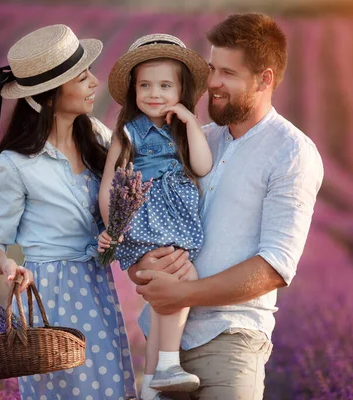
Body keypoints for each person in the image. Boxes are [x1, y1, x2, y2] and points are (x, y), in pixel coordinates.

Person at [130, 13, 325, 400]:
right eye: (212, 69)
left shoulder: (291, 153)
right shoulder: (197, 138)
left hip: (231, 341)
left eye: (228, 74)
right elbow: (148, 215)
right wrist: (143, 267)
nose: (213, 84)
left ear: (264, 79)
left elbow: (274, 266)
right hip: (163, 336)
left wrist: (184, 293)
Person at [0, 24, 136, 400]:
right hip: (51, 296)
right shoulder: (14, 165)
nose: (95, 82)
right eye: (82, 78)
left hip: (95, 285)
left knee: (109, 389)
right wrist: (9, 266)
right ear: (49, 97)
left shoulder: (95, 134)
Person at [97, 34, 211, 400]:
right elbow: (108, 184)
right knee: (182, 280)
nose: (154, 93)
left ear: (181, 90)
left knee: (168, 289)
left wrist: (191, 122)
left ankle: (150, 384)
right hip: (144, 223)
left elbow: (202, 166)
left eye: (165, 85)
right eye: (145, 85)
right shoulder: (129, 132)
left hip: (174, 224)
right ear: (133, 90)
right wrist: (113, 229)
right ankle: (167, 364)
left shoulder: (182, 131)